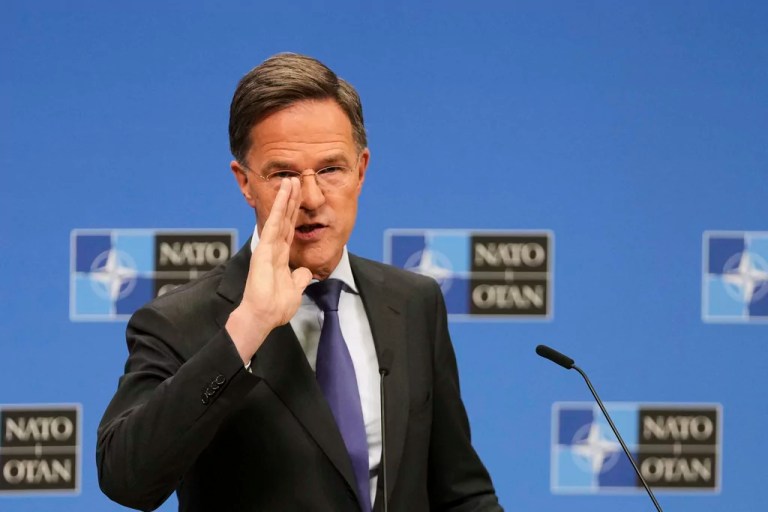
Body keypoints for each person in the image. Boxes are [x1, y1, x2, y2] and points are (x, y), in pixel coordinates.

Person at [97, 52, 503, 512]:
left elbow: (461, 492)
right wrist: (247, 328)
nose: (311, 198)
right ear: (245, 183)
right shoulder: (180, 320)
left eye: (330, 169)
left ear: (361, 170)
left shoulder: (413, 302)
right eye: (284, 175)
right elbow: (127, 480)